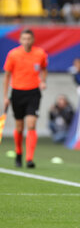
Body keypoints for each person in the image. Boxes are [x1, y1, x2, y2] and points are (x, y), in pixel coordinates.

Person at [2, 29, 48, 168]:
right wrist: (5, 96)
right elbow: (7, 75)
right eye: (24, 39)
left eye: (29, 39)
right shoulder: (13, 54)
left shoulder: (40, 54)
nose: (26, 41)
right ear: (20, 40)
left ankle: (29, 159)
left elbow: (44, 69)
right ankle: (18, 152)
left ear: (33, 40)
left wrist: (43, 81)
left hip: (33, 93)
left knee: (31, 124)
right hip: (17, 93)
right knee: (19, 127)